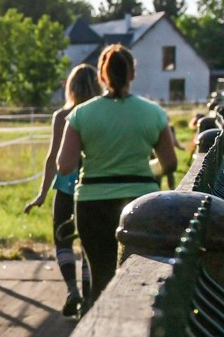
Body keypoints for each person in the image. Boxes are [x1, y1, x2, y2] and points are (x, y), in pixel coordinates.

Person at [57, 43, 177, 309]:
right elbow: (169, 162)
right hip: (142, 202)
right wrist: (144, 171)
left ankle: (95, 332)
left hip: (92, 204)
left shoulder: (81, 115)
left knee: (100, 277)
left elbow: (64, 166)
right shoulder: (154, 113)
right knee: (140, 275)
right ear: (132, 74)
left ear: (101, 76)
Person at [24, 63, 100, 316]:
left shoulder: (61, 116)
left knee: (63, 241)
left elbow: (52, 159)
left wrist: (42, 193)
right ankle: (89, 296)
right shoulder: (100, 112)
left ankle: (72, 291)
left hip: (65, 188)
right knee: (90, 244)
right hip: (92, 185)